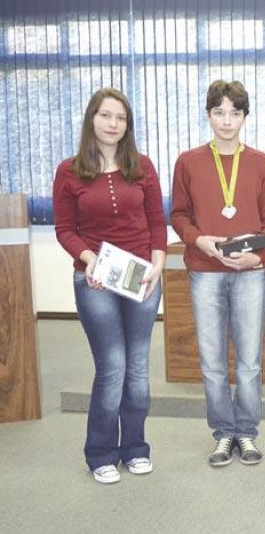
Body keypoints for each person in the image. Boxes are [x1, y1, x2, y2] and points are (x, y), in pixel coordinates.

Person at [54, 88, 166, 484]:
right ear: (92, 119)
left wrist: (157, 264)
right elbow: (65, 230)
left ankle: (135, 447)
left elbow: (156, 222)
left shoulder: (143, 166)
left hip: (141, 279)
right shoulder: (69, 171)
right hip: (95, 279)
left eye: (120, 118)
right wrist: (89, 260)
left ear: (127, 125)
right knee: (112, 368)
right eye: (106, 115)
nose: (113, 124)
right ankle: (101, 452)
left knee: (138, 369)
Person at [171, 80, 265, 467]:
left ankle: (247, 432)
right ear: (208, 115)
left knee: (250, 360)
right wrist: (198, 240)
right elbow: (179, 215)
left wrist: (259, 256)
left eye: (234, 113)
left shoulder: (263, 163)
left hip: (251, 273)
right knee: (213, 360)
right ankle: (223, 433)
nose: (226, 120)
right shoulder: (188, 161)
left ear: (244, 117)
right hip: (205, 272)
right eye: (219, 112)